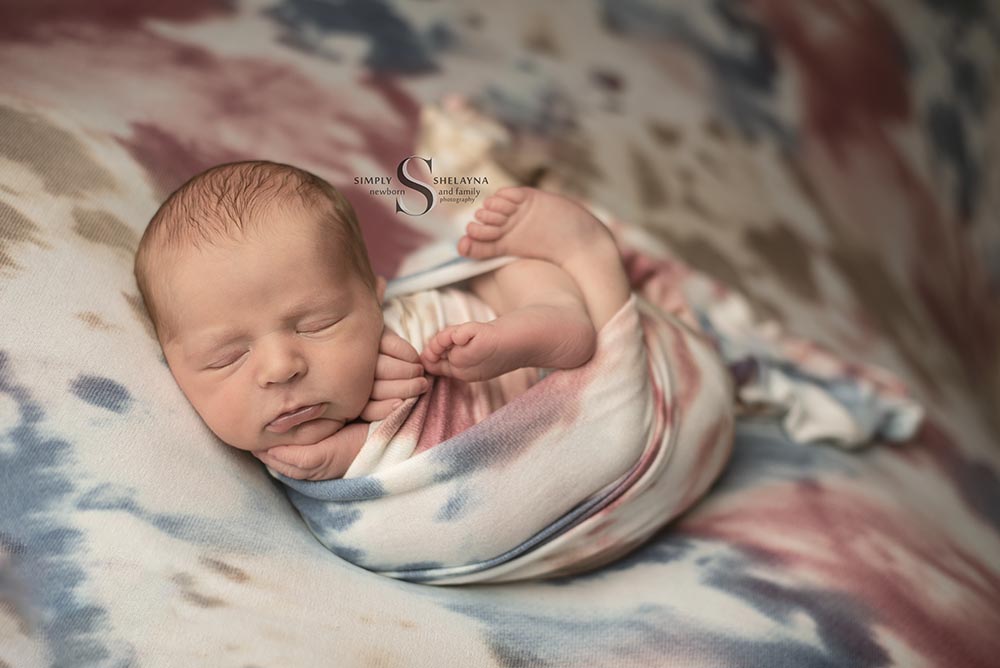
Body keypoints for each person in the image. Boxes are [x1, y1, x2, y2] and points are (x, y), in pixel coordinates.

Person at [134, 160, 631, 480]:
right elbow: (416, 476)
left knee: (507, 269)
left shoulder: (400, 336)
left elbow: (413, 374)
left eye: (316, 324)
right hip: (544, 448)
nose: (281, 367)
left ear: (374, 300)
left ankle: (554, 308)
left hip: (481, 329)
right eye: (227, 357)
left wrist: (401, 371)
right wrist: (354, 451)